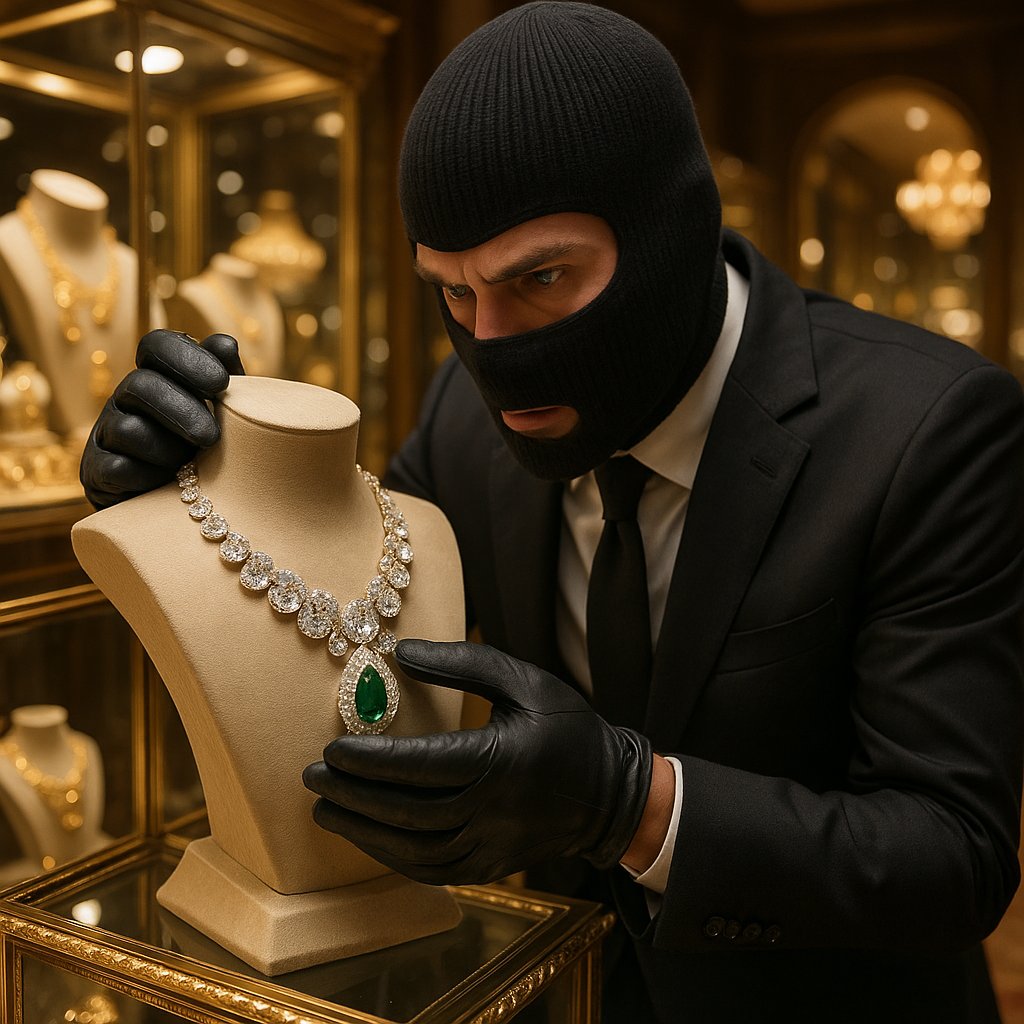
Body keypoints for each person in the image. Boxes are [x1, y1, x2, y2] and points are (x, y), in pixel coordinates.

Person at [79, 4, 1023, 1022]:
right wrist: (193, 487)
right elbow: (344, 614)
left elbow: (953, 854)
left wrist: (629, 803)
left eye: (540, 278)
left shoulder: (928, 429)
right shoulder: (461, 414)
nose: (490, 343)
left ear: (672, 230)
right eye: (451, 290)